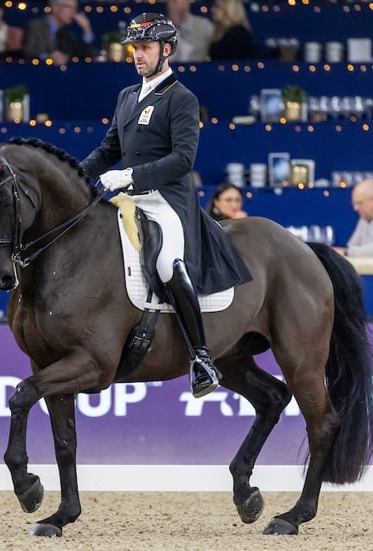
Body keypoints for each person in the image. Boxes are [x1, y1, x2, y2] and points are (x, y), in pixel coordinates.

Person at [80, 13, 252, 398]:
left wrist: (130, 176)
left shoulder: (181, 98)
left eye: (144, 48)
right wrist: (76, 174)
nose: (137, 55)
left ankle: (202, 357)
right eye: (134, 49)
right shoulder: (127, 96)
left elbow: (182, 160)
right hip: (130, 198)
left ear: (166, 50)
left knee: (165, 261)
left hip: (167, 201)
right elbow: (110, 148)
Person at [23, 0, 94, 65]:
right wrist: (48, 57)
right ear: (55, 8)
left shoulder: (68, 34)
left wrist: (87, 30)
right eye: (69, 7)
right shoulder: (35, 26)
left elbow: (81, 56)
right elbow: (27, 52)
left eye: (75, 9)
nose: (73, 13)